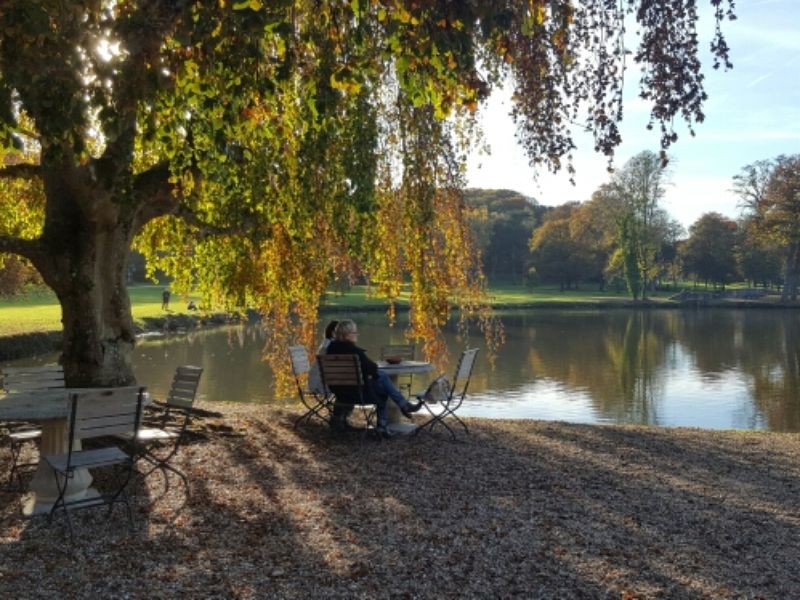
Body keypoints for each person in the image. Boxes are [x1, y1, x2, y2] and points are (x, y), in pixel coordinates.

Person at [326, 319, 422, 437]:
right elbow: (372, 367)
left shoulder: (330, 350)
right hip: (359, 395)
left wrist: (374, 373)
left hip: (340, 395)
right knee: (383, 385)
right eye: (355, 332)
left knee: (381, 379)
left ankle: (401, 407)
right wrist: (374, 373)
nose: (357, 334)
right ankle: (388, 421)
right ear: (346, 335)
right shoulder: (354, 352)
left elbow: (369, 369)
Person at [307, 320, 338, 396]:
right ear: (333, 332)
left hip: (314, 381)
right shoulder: (331, 346)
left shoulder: (326, 343)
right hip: (322, 384)